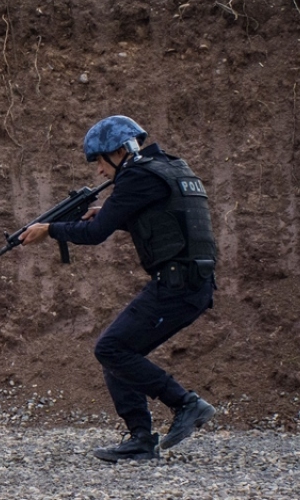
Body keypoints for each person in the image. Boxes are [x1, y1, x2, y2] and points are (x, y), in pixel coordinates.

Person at [20, 115, 218, 462]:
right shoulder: (167, 168)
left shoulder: (137, 176)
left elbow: (95, 235)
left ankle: (186, 404)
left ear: (117, 152)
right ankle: (141, 439)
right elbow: (164, 218)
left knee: (112, 349)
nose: (98, 171)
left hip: (178, 285)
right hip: (189, 283)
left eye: (98, 159)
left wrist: (50, 230)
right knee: (119, 350)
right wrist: (111, 211)